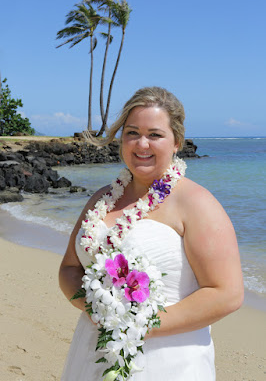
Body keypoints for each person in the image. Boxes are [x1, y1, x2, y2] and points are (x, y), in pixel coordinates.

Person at [59, 86, 244, 380]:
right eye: (132, 132)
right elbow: (69, 269)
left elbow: (227, 294)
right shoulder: (101, 199)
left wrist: (137, 324)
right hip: (94, 349)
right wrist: (99, 312)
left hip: (167, 361)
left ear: (177, 142)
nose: (141, 144)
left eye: (155, 135)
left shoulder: (197, 204)